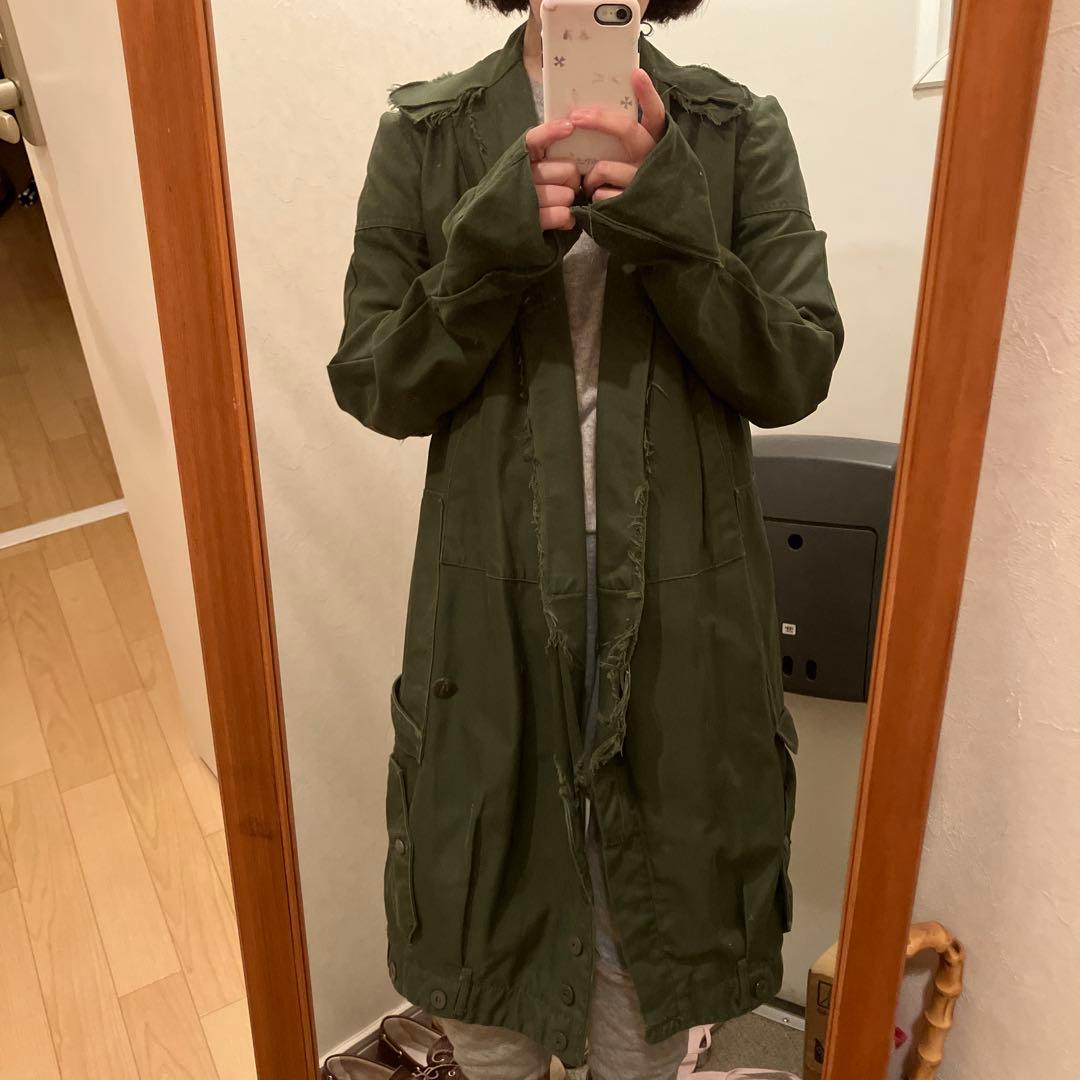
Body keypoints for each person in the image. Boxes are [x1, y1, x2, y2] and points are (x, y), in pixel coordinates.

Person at [327, 0, 843, 1076]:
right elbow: (376, 382)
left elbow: (794, 368)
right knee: (490, 998)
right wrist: (487, 248)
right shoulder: (425, 137)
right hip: (493, 636)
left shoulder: (733, 129)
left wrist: (671, 226)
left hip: (683, 639)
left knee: (645, 993)